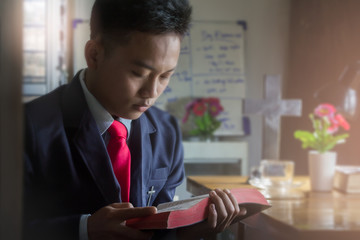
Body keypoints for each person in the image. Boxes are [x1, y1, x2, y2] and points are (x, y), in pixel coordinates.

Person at [23, 0, 246, 239]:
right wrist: (83, 230)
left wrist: (193, 231)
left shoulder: (166, 132)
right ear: (94, 55)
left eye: (165, 76)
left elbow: (159, 232)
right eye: (138, 73)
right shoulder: (27, 127)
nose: (151, 92)